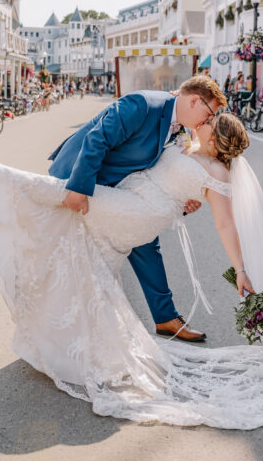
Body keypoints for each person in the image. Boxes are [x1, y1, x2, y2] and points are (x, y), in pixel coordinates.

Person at [0, 109, 263, 429]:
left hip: (138, 212)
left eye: (211, 120)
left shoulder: (218, 173)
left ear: (216, 135)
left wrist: (240, 270)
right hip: (136, 201)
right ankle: (76, 345)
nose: (205, 119)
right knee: (89, 266)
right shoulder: (188, 144)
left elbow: (226, 225)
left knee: (73, 196)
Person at [45, 75, 225, 342]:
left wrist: (182, 202)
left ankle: (165, 318)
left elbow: (161, 171)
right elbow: (98, 138)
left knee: (146, 241)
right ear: (195, 100)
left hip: (119, 190)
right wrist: (79, 188)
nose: (208, 121)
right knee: (63, 249)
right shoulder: (143, 104)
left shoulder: (181, 129)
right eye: (210, 113)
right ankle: (55, 321)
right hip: (78, 177)